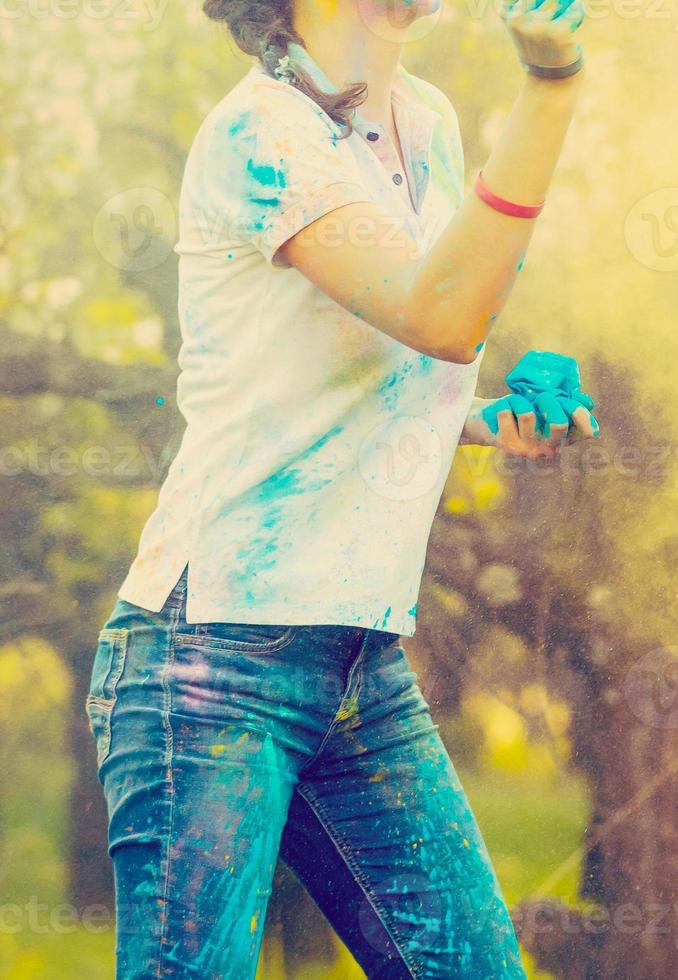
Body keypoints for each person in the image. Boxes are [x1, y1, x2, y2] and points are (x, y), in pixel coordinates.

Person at [84, 1, 594, 975]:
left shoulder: (428, 121)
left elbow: (405, 338)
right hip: (210, 655)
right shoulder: (260, 132)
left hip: (357, 658)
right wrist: (552, 88)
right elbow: (441, 310)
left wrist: (487, 417)